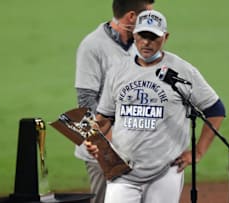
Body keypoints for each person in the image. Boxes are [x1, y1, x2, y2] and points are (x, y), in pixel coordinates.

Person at [84, 9, 225, 203]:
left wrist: (198, 151)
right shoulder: (118, 71)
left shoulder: (182, 71)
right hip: (122, 171)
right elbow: (105, 118)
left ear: (165, 37)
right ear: (134, 35)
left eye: (153, 37)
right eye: (142, 36)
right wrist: (93, 140)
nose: (146, 42)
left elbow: (215, 109)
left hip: (165, 172)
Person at [74, 1, 154, 202]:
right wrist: (109, 142)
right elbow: (85, 103)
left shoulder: (145, 44)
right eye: (149, 14)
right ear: (131, 17)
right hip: (103, 149)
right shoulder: (93, 45)